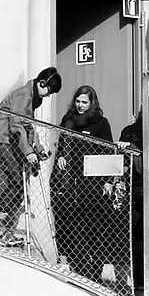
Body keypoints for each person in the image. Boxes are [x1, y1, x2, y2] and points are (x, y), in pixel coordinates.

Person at [0, 66, 62, 240]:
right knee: (16, 177)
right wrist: (28, 151)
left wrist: (39, 148)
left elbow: (29, 127)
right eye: (49, 91)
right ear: (42, 83)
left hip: (8, 138)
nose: (48, 96)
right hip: (0, 137)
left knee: (21, 182)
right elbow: (17, 125)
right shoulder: (24, 95)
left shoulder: (31, 97)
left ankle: (5, 228)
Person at [51, 85, 115, 279]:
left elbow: (108, 152)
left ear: (91, 103)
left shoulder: (101, 123)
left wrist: (108, 181)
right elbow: (62, 142)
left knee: (95, 230)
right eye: (78, 101)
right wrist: (61, 156)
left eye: (84, 102)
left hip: (94, 184)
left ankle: (96, 270)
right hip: (73, 185)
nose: (80, 105)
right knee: (76, 230)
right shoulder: (68, 120)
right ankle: (79, 270)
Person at [116, 91, 149, 296]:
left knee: (137, 236)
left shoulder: (128, 131)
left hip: (134, 186)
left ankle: (139, 279)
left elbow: (122, 159)